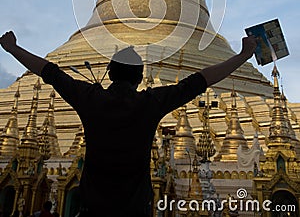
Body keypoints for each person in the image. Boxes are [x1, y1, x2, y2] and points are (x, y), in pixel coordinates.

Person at [0, 31, 256, 217]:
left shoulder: (91, 98)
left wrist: (13, 48)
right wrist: (243, 55)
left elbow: (50, 72)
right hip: (135, 209)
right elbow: (200, 81)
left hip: (93, 209)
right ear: (140, 77)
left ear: (110, 73)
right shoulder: (150, 102)